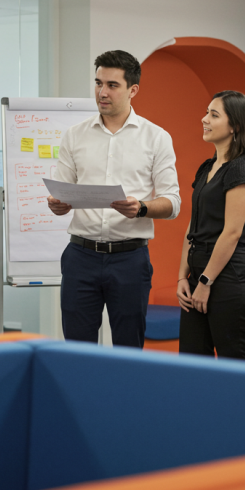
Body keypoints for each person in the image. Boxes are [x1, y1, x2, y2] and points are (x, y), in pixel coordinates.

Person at [47, 50, 180, 348]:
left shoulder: (156, 137)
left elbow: (173, 202)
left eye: (112, 85)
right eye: (98, 83)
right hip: (81, 256)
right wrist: (57, 203)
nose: (102, 92)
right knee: (77, 349)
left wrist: (142, 207)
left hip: (129, 258)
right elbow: (62, 192)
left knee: (128, 348)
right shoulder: (74, 135)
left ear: (133, 90)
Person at [176, 91, 245, 360]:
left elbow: (232, 232)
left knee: (231, 365)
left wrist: (205, 281)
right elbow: (194, 225)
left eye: (214, 115)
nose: (204, 119)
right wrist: (182, 276)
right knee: (191, 364)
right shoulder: (207, 168)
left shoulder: (242, 169)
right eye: (206, 112)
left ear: (235, 125)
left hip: (228, 278)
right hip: (200, 276)